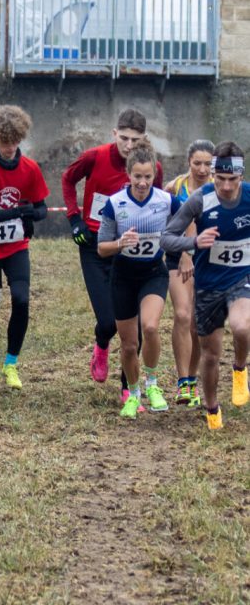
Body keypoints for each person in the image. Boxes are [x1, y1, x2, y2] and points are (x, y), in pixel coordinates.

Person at [61, 108, 163, 392]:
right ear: (114, 134)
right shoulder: (95, 156)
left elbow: (158, 203)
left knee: (135, 326)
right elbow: (68, 179)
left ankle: (127, 388)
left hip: (130, 250)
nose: (129, 146)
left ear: (144, 139)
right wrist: (74, 219)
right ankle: (101, 344)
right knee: (108, 321)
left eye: (135, 139)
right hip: (95, 246)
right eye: (124, 138)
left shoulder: (149, 167)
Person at [161, 141, 250, 430]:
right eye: (220, 179)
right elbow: (166, 238)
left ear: (241, 176)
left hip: (240, 279)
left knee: (241, 326)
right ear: (214, 175)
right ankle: (212, 408)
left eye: (232, 180)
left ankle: (239, 369)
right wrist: (194, 242)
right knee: (210, 354)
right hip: (208, 285)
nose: (225, 186)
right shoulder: (200, 199)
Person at [0, 105, 49, 393]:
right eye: (4, 143)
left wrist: (31, 214)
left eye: (14, 142)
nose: (9, 148)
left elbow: (41, 209)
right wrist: (20, 212)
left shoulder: (30, 169)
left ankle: (12, 363)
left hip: (16, 247)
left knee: (22, 300)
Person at [98, 142, 178, 418]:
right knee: (130, 345)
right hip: (123, 276)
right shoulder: (115, 204)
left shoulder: (165, 201)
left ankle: (153, 384)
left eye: (148, 177)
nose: (143, 183)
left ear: (154, 175)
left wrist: (187, 253)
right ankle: (133, 394)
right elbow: (101, 247)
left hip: (153, 273)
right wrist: (120, 242)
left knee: (151, 327)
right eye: (138, 176)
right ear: (128, 174)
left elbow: (187, 220)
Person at [163, 140, 214, 407]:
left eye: (208, 163)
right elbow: (167, 225)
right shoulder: (175, 188)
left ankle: (192, 380)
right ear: (188, 163)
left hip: (207, 261)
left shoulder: (223, 188)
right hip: (177, 258)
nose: (203, 169)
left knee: (197, 323)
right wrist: (183, 254)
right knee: (182, 315)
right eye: (198, 163)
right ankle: (183, 382)